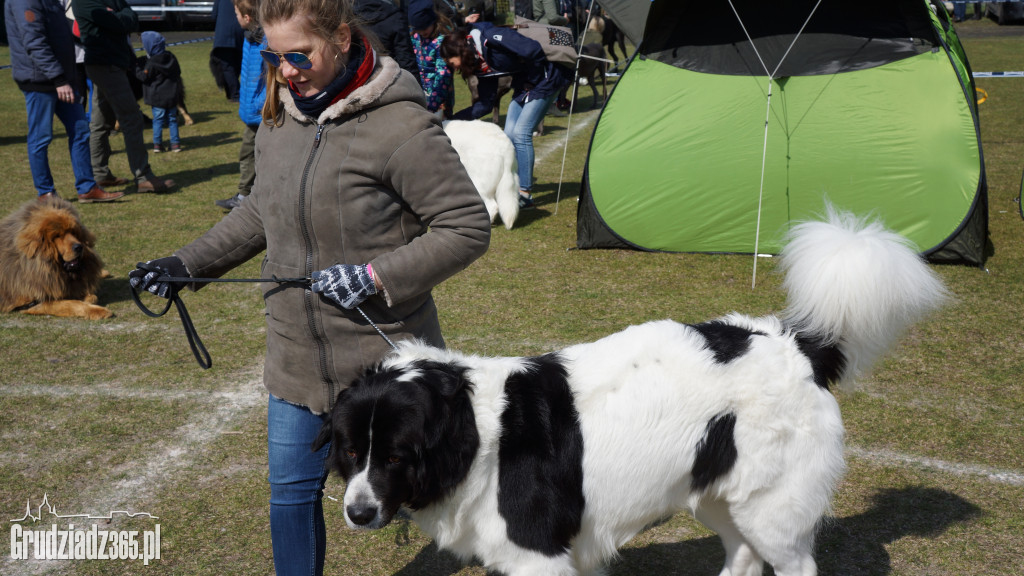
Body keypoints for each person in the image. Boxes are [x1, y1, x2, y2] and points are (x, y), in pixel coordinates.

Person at [128, 0, 491, 573]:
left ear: (342, 37)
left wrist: (374, 277)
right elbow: (259, 214)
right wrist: (183, 263)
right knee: (289, 496)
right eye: (275, 58)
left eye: (300, 55)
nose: (287, 71)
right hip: (294, 357)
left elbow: (466, 226)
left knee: (436, 492)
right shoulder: (281, 115)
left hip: (384, 364)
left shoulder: (401, 125)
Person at [441, 22, 570, 208]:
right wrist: (451, 120)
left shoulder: (491, 39)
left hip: (546, 77)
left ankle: (525, 194)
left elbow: (532, 50)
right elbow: (485, 105)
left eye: (449, 60)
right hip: (527, 83)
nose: (449, 66)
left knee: (521, 133)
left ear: (459, 51)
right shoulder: (478, 64)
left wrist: (532, 82)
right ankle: (513, 187)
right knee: (509, 132)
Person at [6, 0, 123, 203]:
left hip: (63, 79)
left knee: (80, 130)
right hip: (40, 80)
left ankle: (87, 187)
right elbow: (34, 42)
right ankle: (46, 193)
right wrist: (59, 79)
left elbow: (61, 33)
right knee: (41, 137)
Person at [71, 0, 175, 193]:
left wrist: (118, 16)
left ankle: (100, 174)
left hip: (113, 64)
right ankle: (143, 176)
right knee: (132, 118)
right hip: (104, 64)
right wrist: (118, 17)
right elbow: (118, 22)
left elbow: (131, 18)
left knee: (101, 121)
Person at [215, 0, 266, 210]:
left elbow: (270, 80)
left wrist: (260, 105)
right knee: (249, 154)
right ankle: (247, 195)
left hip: (262, 113)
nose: (234, 17)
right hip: (252, 112)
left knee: (253, 155)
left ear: (247, 18)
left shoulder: (266, 41)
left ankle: (246, 197)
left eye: (236, 14)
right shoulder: (250, 39)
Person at [407, 0, 456, 116]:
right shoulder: (414, 36)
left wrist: (433, 104)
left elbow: (443, 74)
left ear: (433, 21)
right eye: (418, 29)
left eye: (425, 28)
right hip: (419, 93)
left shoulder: (443, 40)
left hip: (440, 97)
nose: (422, 32)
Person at [137, 31, 183, 154]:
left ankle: (157, 144)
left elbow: (144, 77)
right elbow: (178, 72)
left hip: (157, 97)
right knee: (172, 119)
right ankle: (175, 144)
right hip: (172, 95)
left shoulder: (152, 62)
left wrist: (136, 68)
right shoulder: (171, 57)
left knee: (158, 121)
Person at [353, 0, 419, 80]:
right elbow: (406, 59)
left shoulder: (351, 19)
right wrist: (415, 86)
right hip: (395, 79)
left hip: (364, 81)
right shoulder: (394, 16)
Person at [210, 0, 244, 101]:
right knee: (239, 64)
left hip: (223, 35)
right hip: (241, 33)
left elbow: (214, 15)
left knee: (227, 67)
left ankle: (234, 94)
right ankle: (236, 92)